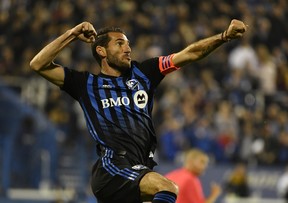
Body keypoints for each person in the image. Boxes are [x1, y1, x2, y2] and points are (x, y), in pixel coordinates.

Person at [30, 19, 247, 203]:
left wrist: (224, 36)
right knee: (168, 188)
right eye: (120, 43)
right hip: (112, 168)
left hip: (139, 167)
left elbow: (189, 54)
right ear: (101, 50)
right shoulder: (85, 84)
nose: (128, 48)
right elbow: (38, 64)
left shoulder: (144, 73)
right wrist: (72, 33)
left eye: (128, 44)